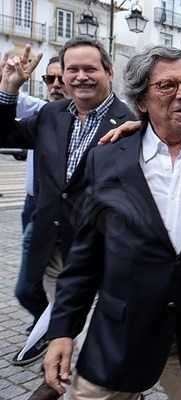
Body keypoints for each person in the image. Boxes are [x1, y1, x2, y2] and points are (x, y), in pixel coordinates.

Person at [43, 45, 181, 400]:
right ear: (141, 101)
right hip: (119, 337)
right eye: (167, 86)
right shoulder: (107, 160)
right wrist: (63, 330)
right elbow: (85, 256)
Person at [0, 38, 136, 400]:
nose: (80, 77)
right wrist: (9, 89)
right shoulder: (52, 114)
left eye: (90, 69)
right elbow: (4, 134)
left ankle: (69, 387)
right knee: (65, 328)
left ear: (109, 72)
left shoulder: (131, 123)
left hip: (102, 259)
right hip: (54, 253)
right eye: (72, 69)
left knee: (87, 339)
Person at [4, 54, 69, 367]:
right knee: (38, 280)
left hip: (55, 211)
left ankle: (53, 327)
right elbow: (10, 110)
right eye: (48, 79)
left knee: (28, 286)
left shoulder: (59, 114)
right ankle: (49, 323)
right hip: (31, 205)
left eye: (60, 78)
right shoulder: (42, 112)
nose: (54, 85)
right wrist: (9, 81)